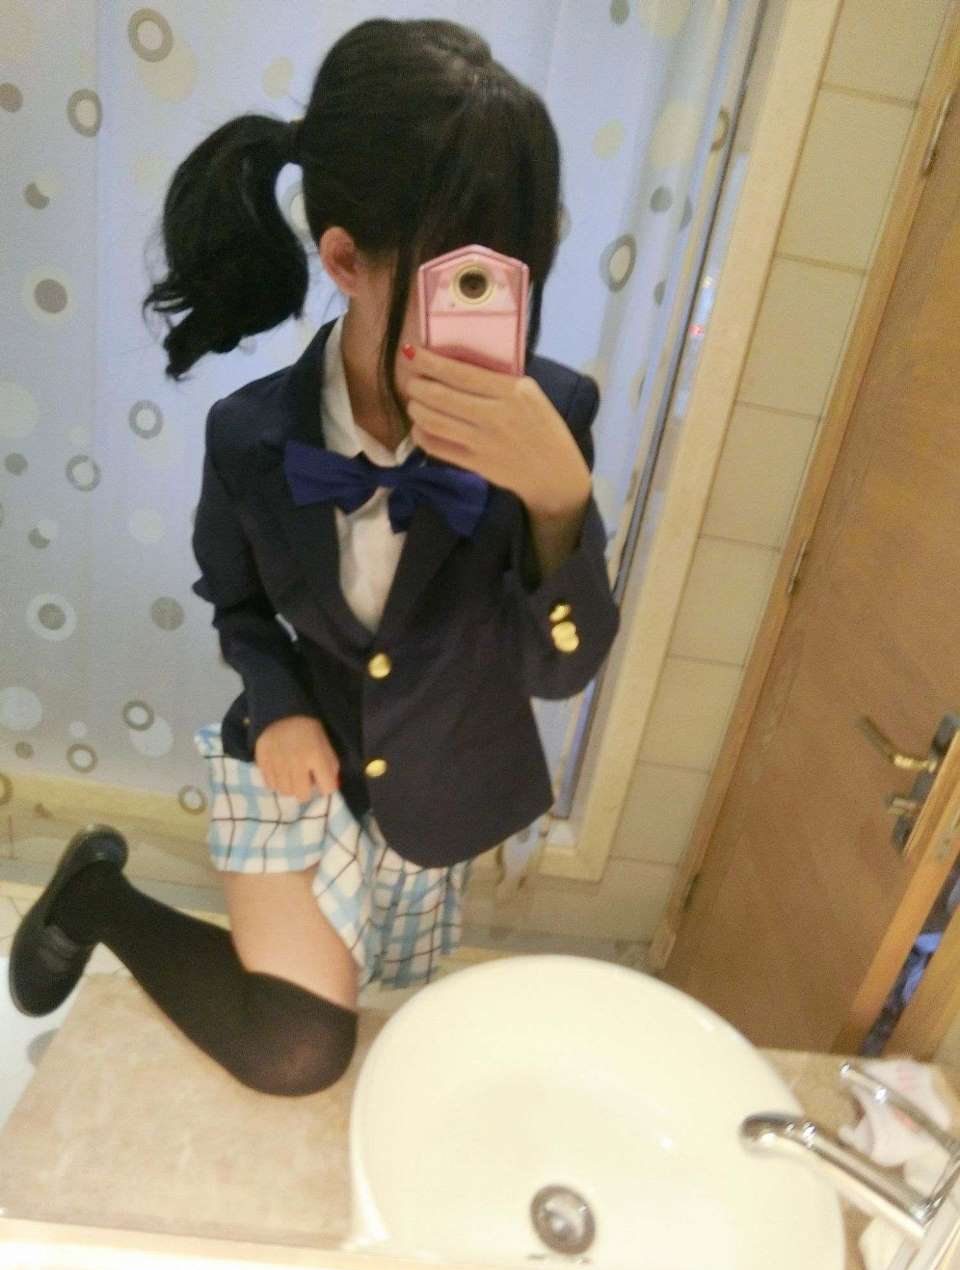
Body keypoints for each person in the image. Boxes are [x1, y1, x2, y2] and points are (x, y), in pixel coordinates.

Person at [9, 17, 620, 1097]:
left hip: (440, 782)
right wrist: (279, 699)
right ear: (343, 260)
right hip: (299, 764)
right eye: (459, 278)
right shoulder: (251, 436)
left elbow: (558, 673)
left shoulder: (552, 418)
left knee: (394, 1022)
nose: (491, 311)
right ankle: (95, 897)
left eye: (512, 273)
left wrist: (557, 498)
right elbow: (238, 602)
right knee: (299, 1051)